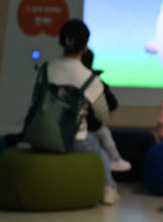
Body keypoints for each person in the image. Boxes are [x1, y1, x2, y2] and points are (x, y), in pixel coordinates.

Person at [47, 19, 119, 205]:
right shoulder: (90, 78)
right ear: (85, 45)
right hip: (72, 140)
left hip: (43, 135)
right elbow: (103, 115)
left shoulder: (46, 69)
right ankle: (109, 188)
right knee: (99, 147)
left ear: (60, 41)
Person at [81, 49, 131, 173]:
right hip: (91, 126)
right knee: (104, 136)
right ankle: (116, 159)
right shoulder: (96, 81)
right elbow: (112, 104)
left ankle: (115, 160)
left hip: (76, 127)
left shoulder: (70, 78)